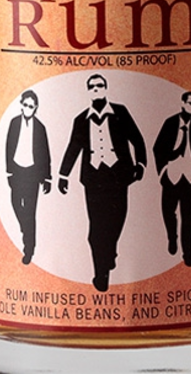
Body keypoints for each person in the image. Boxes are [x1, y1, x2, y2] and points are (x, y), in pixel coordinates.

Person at [58, 74, 146, 291]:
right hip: (93, 180)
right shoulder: (81, 119)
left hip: (118, 177)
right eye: (92, 86)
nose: (96, 88)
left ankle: (110, 250)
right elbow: (73, 148)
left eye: (99, 85)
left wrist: (141, 164)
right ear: (88, 91)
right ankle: (101, 273)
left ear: (105, 88)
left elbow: (137, 138)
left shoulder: (120, 112)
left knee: (117, 220)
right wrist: (63, 175)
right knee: (95, 229)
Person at [152, 91, 191, 267]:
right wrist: (163, 171)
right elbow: (157, 147)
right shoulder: (170, 123)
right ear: (183, 103)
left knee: (189, 217)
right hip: (171, 175)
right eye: (190, 103)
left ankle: (187, 253)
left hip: (189, 177)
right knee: (168, 212)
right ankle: (172, 238)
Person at [5, 90, 51, 264]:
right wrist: (9, 171)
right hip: (17, 171)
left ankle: (29, 248)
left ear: (36, 107)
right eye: (25, 105)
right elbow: (9, 146)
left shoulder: (40, 128)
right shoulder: (14, 123)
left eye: (31, 106)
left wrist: (47, 177)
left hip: (33, 172)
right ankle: (26, 229)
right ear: (21, 105)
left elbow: (45, 153)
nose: (27, 108)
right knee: (15, 203)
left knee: (30, 211)